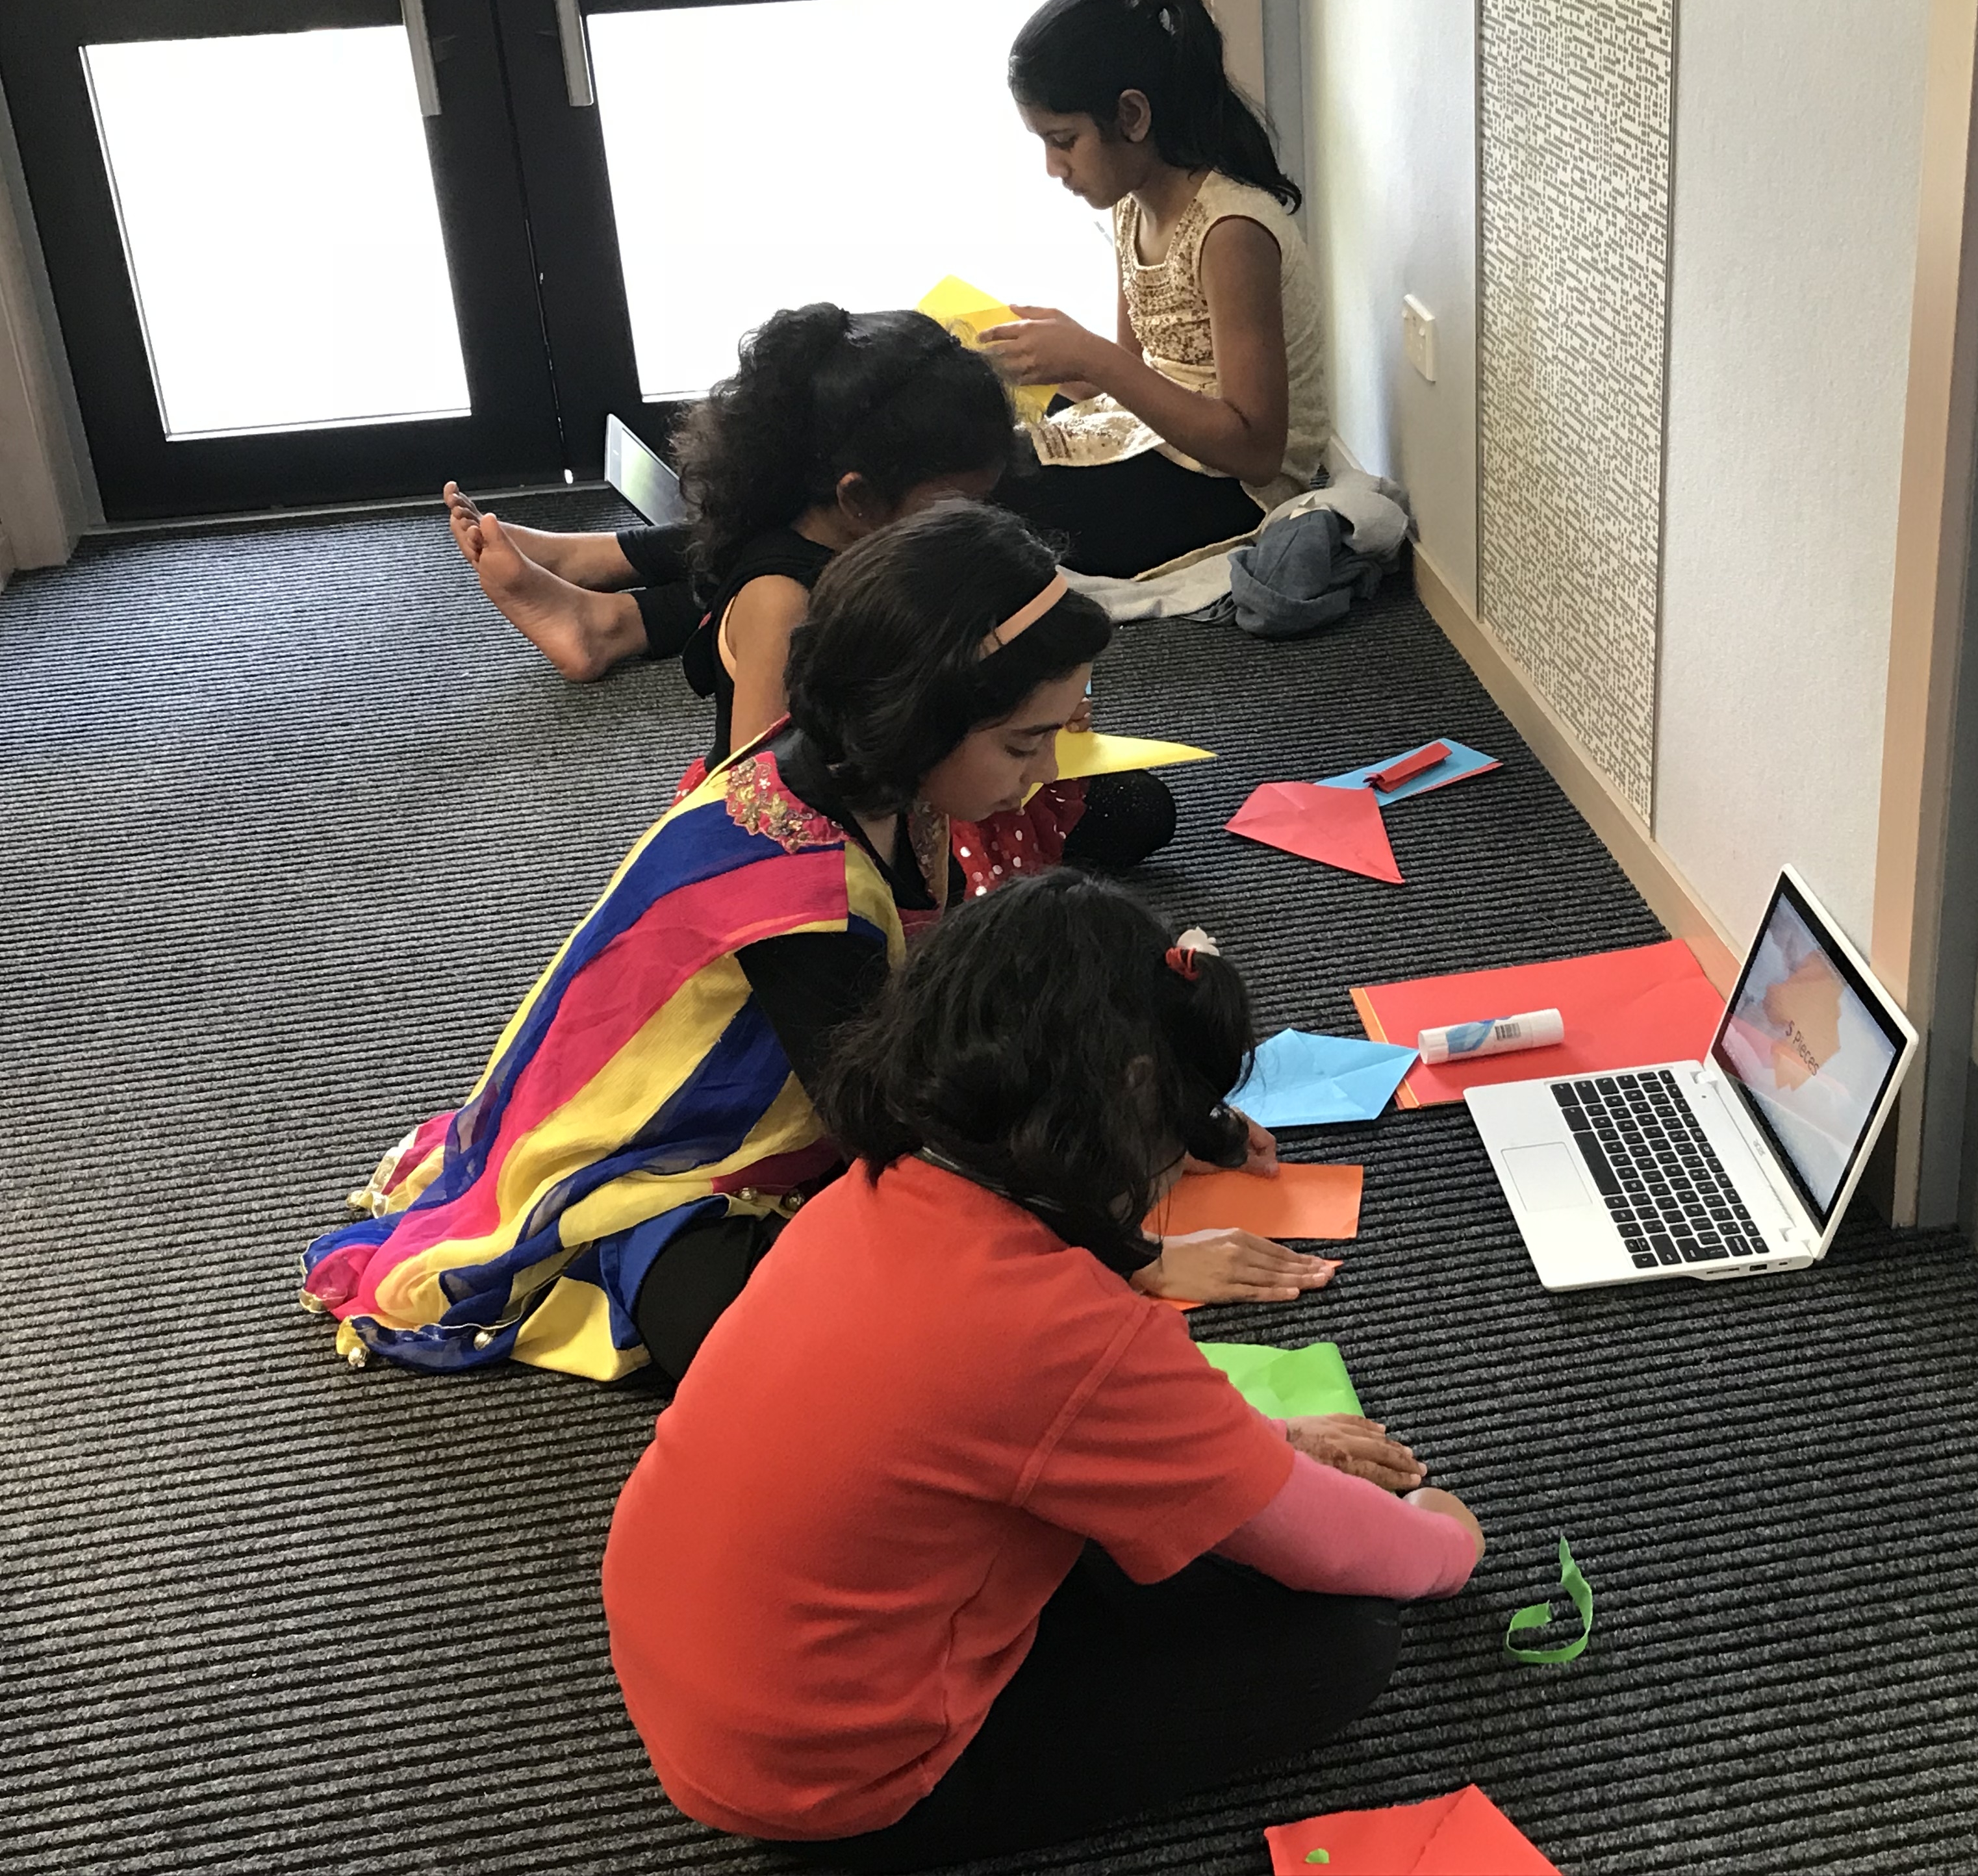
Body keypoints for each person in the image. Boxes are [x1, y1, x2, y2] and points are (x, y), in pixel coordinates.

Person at [303, 505, 1310, 1387]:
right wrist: (1127, 1253)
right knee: (810, 1348)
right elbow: (893, 1123)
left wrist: (1180, 1115)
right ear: (925, 717)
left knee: (962, 1243)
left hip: (820, 1098)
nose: (1047, 770)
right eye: (1024, 742)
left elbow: (957, 1010)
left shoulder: (883, 776)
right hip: (664, 1169)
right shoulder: (798, 884)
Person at [602, 870, 1484, 1869]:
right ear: (1138, 1095)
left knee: (1122, 1517)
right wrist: (1443, 1544)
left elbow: (1040, 1424)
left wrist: (1265, 1445)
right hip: (839, 1782)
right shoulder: (1072, 1332)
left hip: (701, 1677)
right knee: (1348, 1640)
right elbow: (1313, 1540)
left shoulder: (870, 1195)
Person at [447, 307, 1010, 745]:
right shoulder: (783, 607)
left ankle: (602, 604)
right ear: (858, 497)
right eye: (964, 504)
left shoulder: (831, 531)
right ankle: (600, 611)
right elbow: (764, 796)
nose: (977, 522)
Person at [982, 0, 1332, 576]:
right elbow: (1134, 370)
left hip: (1231, 487)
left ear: (1132, 115)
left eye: (1063, 141)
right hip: (1157, 435)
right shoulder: (1131, 206)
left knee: (993, 503)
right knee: (978, 443)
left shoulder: (1230, 231)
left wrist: (1090, 357)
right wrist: (1057, 358)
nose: (1052, 168)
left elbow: (1258, 452)